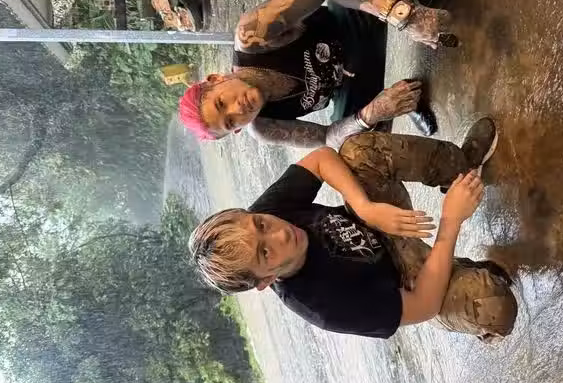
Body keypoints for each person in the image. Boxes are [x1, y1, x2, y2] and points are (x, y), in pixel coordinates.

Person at [188, 117, 518, 341]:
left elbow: (321, 158)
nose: (280, 233)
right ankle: (462, 279)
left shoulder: (263, 215)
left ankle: (462, 168)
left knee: (357, 152)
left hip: (378, 221)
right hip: (408, 282)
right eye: (265, 252)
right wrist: (451, 221)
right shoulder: (321, 306)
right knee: (495, 306)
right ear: (265, 281)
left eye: (261, 224)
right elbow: (423, 305)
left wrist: (365, 208)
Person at [178, 0, 462, 148]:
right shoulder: (264, 128)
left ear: (215, 79)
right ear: (237, 130)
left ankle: (416, 5)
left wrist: (402, 16)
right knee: (357, 152)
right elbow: (326, 138)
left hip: (350, 22)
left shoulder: (253, 35)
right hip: (352, 85)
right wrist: (374, 113)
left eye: (221, 103)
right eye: (230, 122)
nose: (237, 109)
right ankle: (407, 99)